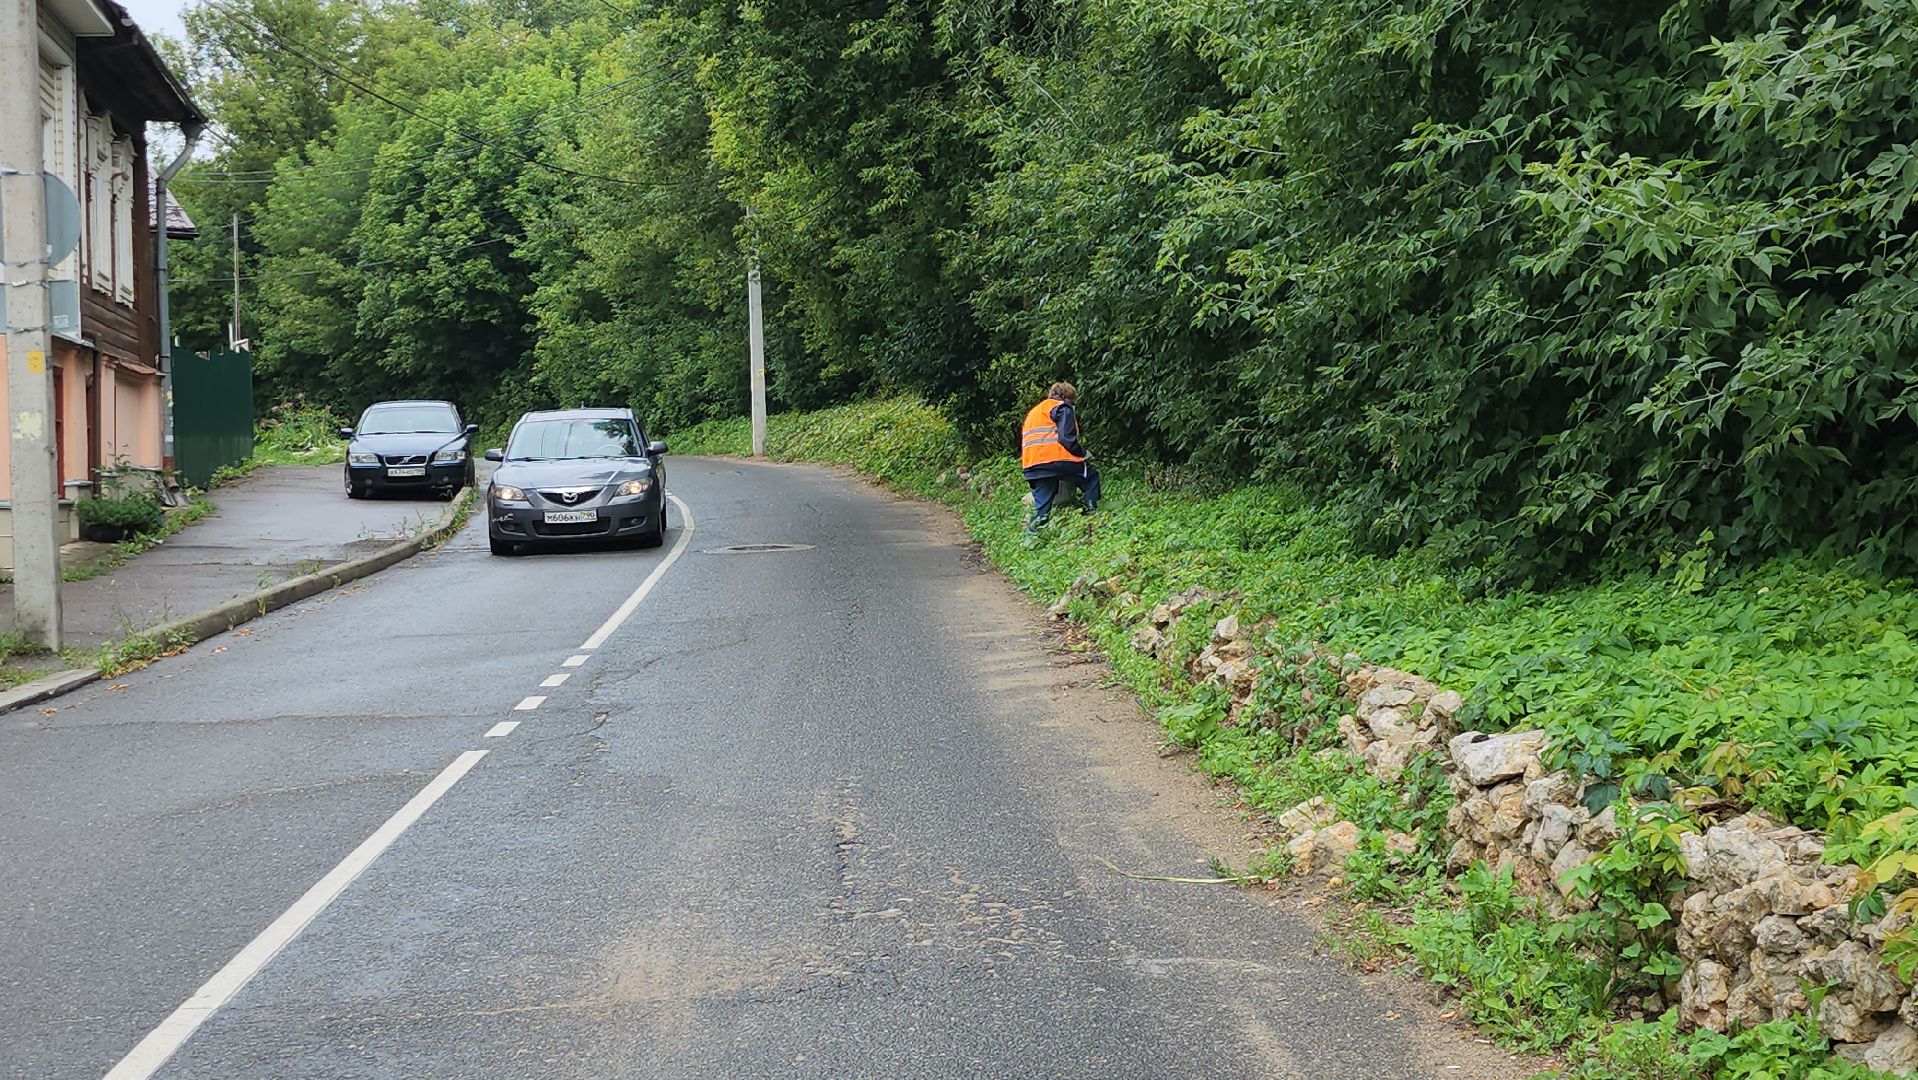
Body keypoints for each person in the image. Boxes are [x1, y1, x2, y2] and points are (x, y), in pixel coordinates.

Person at [1020, 381, 1100, 531]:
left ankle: (1032, 538)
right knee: (1091, 477)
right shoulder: (1062, 407)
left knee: (1042, 510)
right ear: (1067, 398)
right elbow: (1066, 439)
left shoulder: (1034, 412)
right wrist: (1083, 453)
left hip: (1033, 466)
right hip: (1057, 460)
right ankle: (1092, 515)